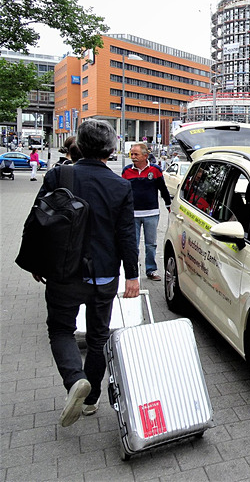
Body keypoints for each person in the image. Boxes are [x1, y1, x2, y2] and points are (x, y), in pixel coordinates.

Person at [31, 119, 139, 426]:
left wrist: (37, 263)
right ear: (112, 148)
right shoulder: (120, 185)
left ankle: (75, 380)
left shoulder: (59, 175)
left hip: (63, 271)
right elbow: (127, 235)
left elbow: (37, 220)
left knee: (61, 330)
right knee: (97, 337)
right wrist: (132, 276)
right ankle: (90, 401)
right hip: (104, 275)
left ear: (78, 144)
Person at [122, 143, 171, 281]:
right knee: (133, 244)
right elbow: (122, 191)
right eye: (131, 154)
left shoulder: (155, 170)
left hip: (151, 213)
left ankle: (151, 270)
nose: (133, 157)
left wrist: (168, 205)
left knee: (151, 245)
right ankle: (133, 272)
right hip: (133, 214)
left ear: (145, 156)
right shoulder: (126, 171)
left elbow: (163, 189)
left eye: (136, 154)